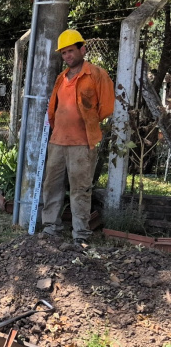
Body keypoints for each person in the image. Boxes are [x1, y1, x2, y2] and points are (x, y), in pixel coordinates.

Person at [42, 29, 114, 244]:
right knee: (51, 187)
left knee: (80, 190)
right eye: (63, 53)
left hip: (82, 144)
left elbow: (107, 107)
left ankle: (80, 235)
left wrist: (88, 122)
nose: (67, 56)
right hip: (57, 142)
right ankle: (50, 229)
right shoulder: (61, 78)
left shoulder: (97, 75)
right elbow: (54, 109)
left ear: (82, 49)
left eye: (71, 51)